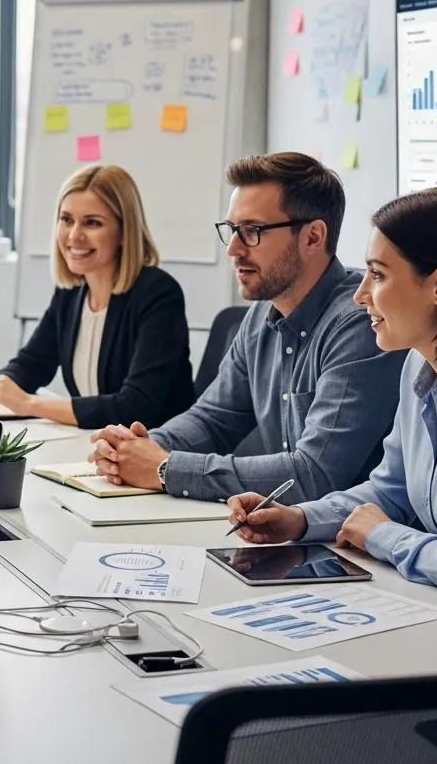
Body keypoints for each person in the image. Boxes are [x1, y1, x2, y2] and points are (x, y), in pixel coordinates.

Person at [89, 151, 405, 505]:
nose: (234, 249)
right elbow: (212, 419)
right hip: (280, 532)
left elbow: (315, 474)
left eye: (252, 231)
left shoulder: (360, 323)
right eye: (232, 230)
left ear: (313, 237)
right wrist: (135, 449)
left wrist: (165, 466)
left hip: (350, 547)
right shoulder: (261, 316)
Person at [228, 187, 437, 595]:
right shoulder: (417, 368)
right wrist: (298, 519)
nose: (360, 294)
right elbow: (391, 489)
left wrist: (386, 538)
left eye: (379, 275)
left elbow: (383, 524)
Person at [0, 164, 194, 428]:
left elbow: (135, 407)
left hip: (155, 452)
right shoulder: (71, 293)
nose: (74, 235)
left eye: (92, 223)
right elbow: (32, 364)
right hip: (95, 447)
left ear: (123, 232)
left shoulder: (158, 294)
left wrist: (28, 403)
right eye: (66, 219)